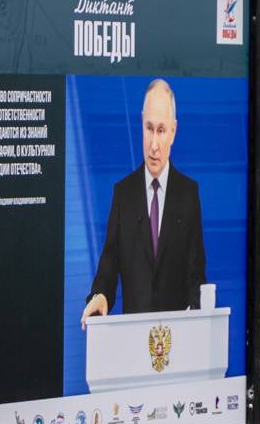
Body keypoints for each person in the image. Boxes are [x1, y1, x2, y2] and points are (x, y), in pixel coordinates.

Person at [82, 79, 207, 319]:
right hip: (134, 342)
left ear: (173, 131)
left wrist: (195, 311)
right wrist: (99, 295)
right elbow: (109, 262)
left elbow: (196, 273)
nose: (154, 145)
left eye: (161, 130)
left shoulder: (188, 194)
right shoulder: (123, 194)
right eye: (149, 129)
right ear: (141, 124)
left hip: (176, 342)